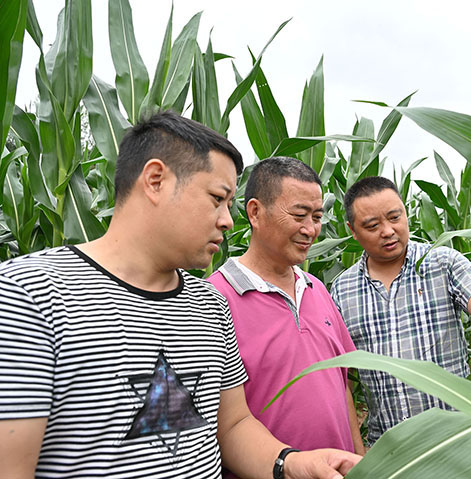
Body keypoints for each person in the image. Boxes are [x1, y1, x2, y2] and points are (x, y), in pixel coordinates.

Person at [0, 112, 360, 479]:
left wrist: (292, 463)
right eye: (217, 199)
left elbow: (233, 425)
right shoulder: (29, 294)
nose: (228, 221)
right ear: (155, 181)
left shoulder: (209, 305)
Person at [330, 176, 471, 446]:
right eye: (372, 225)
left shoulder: (442, 262)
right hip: (390, 450)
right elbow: (340, 378)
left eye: (395, 217)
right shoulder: (342, 290)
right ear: (352, 230)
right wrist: (358, 452)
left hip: (459, 441)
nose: (388, 231)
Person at [208, 157, 364, 458]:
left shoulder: (317, 289)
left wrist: (358, 460)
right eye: (299, 215)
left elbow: (340, 383)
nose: (310, 230)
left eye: (317, 217)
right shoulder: (216, 299)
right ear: (255, 212)